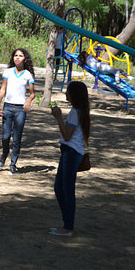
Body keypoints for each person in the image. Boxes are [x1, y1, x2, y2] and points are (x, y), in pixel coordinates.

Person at [49, 81, 91, 236]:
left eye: (68, 92)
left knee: (65, 189)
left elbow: (67, 136)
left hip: (71, 153)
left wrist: (59, 117)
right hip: (72, 152)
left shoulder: (75, 112)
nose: (66, 94)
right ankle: (67, 224)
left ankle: (68, 226)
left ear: (74, 95)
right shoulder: (81, 111)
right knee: (61, 187)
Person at [0, 48, 36, 174]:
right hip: (7, 107)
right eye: (15, 55)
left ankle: (13, 164)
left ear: (25, 59)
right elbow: (3, 89)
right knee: (5, 136)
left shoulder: (28, 75)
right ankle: (4, 153)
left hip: (20, 109)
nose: (17, 57)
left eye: (20, 56)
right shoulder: (8, 72)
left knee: (17, 138)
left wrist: (29, 100)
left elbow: (32, 93)